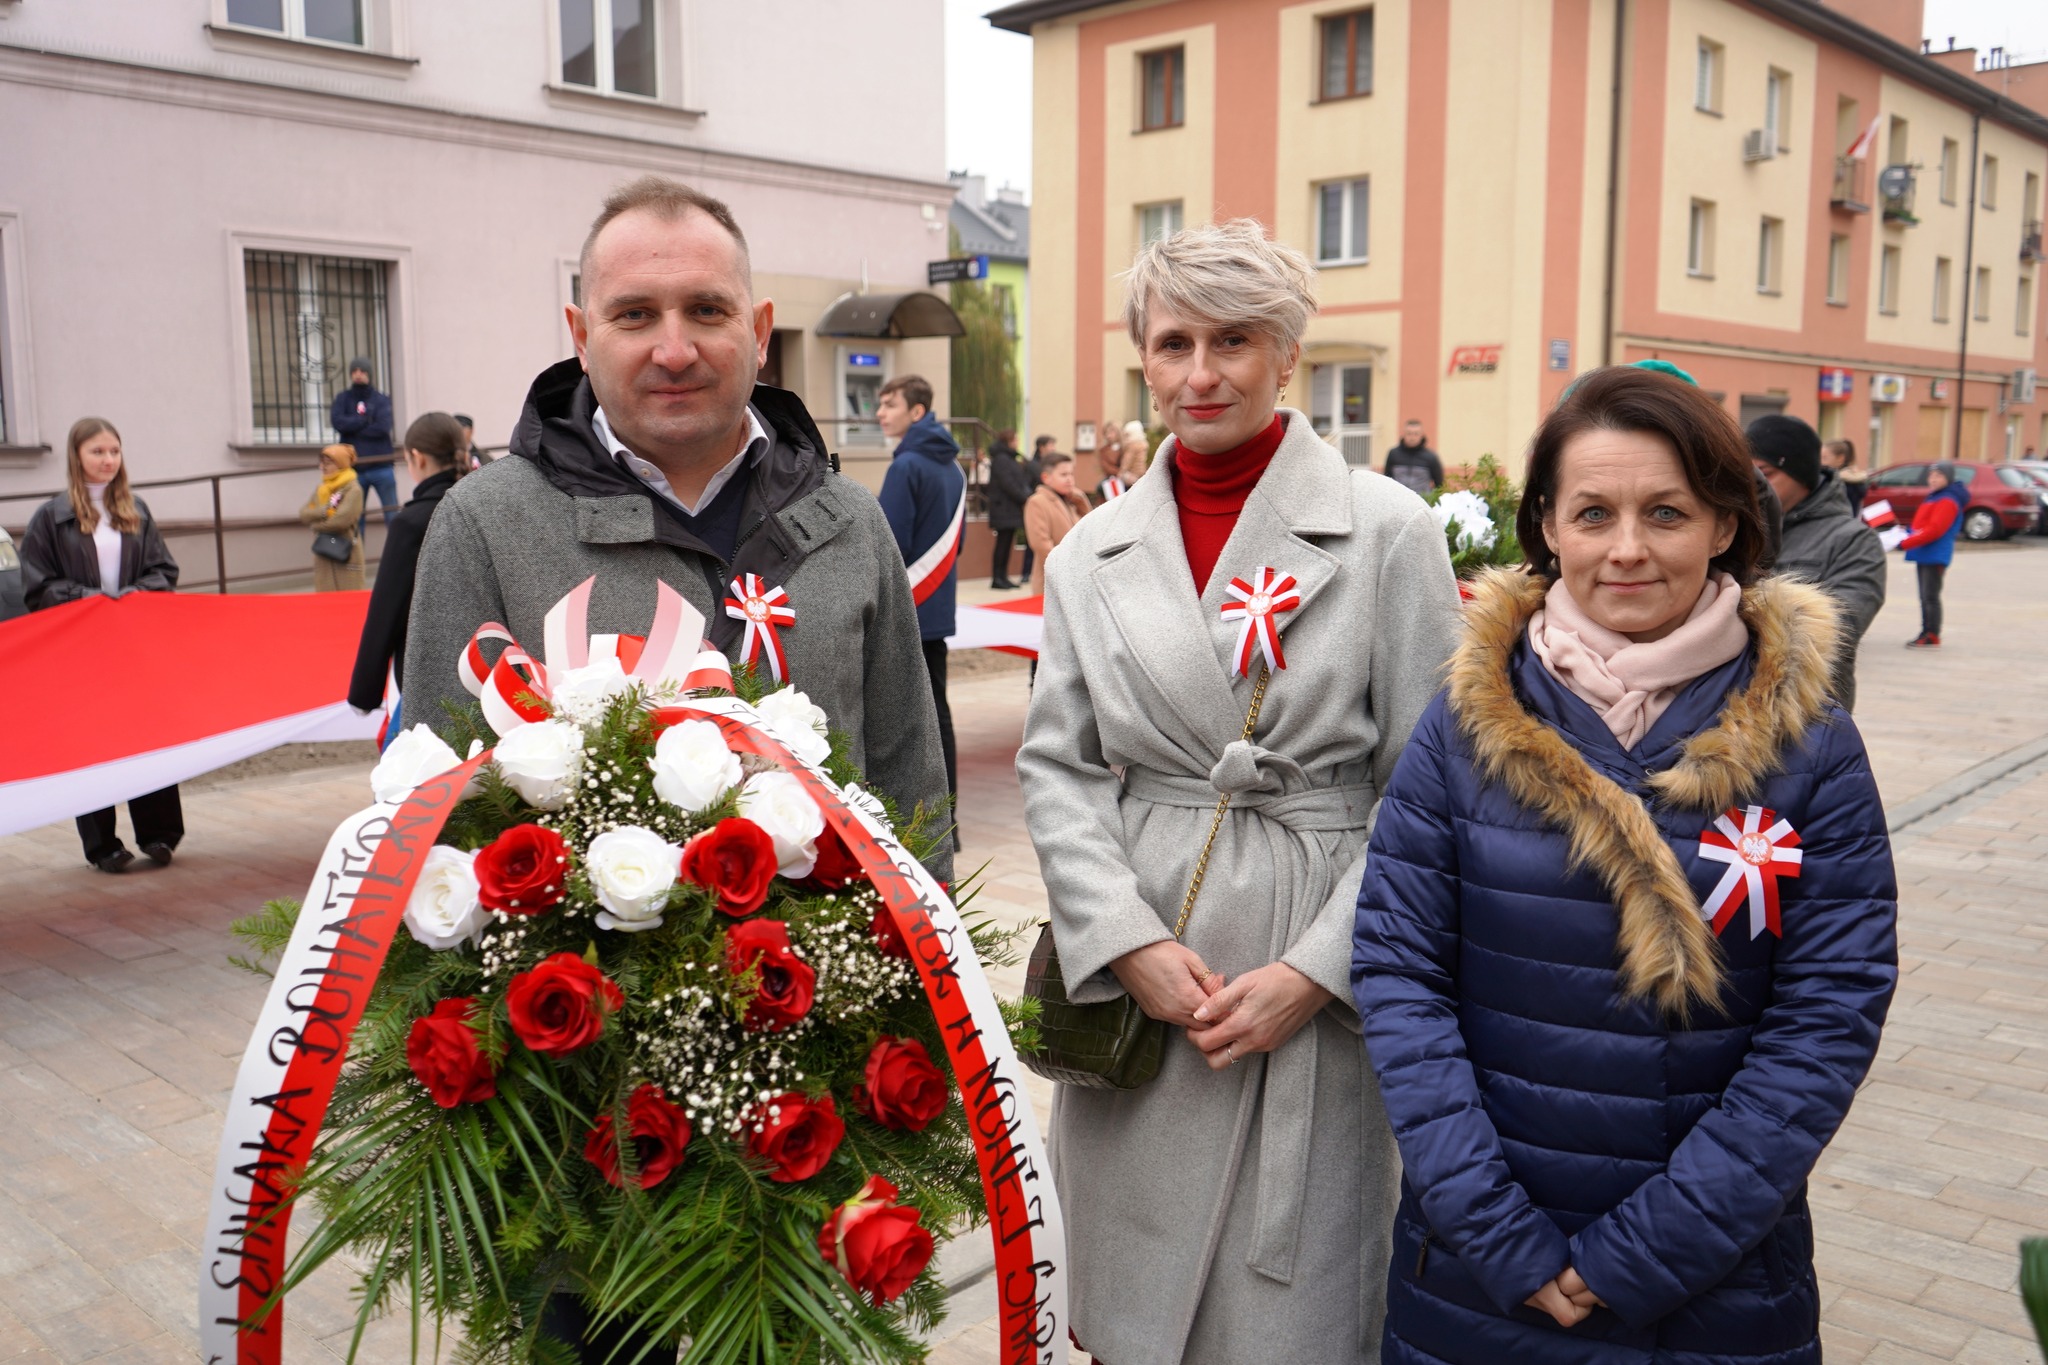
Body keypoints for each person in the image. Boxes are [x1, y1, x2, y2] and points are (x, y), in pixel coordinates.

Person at [403, 174, 952, 1361]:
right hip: (577, 1122)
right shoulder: (488, 526)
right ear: (577, 337)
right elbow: (425, 828)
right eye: (633, 314)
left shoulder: (848, 526)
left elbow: (915, 793)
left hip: (815, 1112)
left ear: (759, 333)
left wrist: (919, 1030)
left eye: (706, 311)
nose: (671, 347)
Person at [1352, 364, 1897, 1365]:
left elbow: (1827, 1014)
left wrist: (1648, 1252)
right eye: (1592, 513)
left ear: (1725, 523)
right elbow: (1398, 975)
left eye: (1666, 512)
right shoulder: (1462, 726)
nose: (1627, 549)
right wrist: (1496, 1232)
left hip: (1714, 1281)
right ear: (1548, 529)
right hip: (1475, 1273)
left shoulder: (1809, 746)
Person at [1017, 220, 1461, 1365]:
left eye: (1233, 340)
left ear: (1286, 358)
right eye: (1172, 344)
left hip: (1311, 976)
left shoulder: (1386, 532)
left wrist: (1319, 972)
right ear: (1143, 361)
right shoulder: (1089, 552)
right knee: (1127, 1314)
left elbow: (1432, 789)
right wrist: (1120, 941)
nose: (1199, 373)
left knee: (1292, 1318)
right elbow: (1058, 767)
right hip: (1146, 991)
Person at [21, 417, 184, 872]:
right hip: (80, 653)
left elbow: (163, 572)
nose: (108, 460)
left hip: (132, 648)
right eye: (98, 451)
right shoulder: (50, 518)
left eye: (114, 451)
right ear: (77, 456)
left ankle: (159, 834)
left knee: (147, 736)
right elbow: (36, 586)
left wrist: (133, 597)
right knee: (93, 743)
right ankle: (103, 845)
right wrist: (92, 601)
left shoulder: (137, 510)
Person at [1747, 415, 1885, 709]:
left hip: (1807, 714)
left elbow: (1841, 627)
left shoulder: (1853, 540)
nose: (1753, 485)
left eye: (1765, 474)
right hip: (1725, 715)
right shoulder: (1732, 527)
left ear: (1800, 475)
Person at [876, 372, 964, 824]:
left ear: (916, 411)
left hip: (905, 609)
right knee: (939, 716)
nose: (879, 413)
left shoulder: (906, 466)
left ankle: (923, 820)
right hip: (936, 605)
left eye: (889, 404)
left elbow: (888, 544)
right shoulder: (953, 467)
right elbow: (958, 545)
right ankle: (949, 819)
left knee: (908, 721)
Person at [348, 413, 467, 741]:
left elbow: (385, 612)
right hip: (487, 677)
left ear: (416, 457)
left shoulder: (412, 522)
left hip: (425, 682)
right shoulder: (480, 510)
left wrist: (364, 693)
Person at [1899, 461, 1969, 649]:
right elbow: (1922, 526)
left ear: (1948, 478)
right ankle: (1926, 631)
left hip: (1935, 554)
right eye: (1931, 475)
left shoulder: (1947, 500)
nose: (1933, 479)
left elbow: (1935, 530)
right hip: (1925, 553)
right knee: (1925, 596)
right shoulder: (1935, 497)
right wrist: (1905, 532)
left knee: (1930, 596)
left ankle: (1931, 634)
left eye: (1939, 475)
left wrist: (1905, 542)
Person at [331, 359, 398, 526]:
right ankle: (357, 552)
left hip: (382, 467)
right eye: (354, 371)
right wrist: (365, 420)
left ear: (369, 374)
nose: (358, 374)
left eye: (362, 371)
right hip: (354, 469)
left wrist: (352, 428)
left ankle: (399, 551)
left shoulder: (381, 399)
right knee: (355, 517)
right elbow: (338, 423)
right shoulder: (343, 398)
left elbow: (383, 427)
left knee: (392, 514)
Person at [300, 444, 366, 591]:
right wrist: (325, 511)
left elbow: (340, 521)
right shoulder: (322, 489)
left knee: (349, 603)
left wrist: (316, 525)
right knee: (325, 604)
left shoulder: (353, 489)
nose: (322, 467)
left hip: (346, 551)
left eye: (327, 463)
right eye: (321, 463)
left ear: (340, 464)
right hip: (324, 552)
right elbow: (303, 513)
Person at [984, 427, 1032, 589]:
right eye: (1015, 439)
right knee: (1002, 544)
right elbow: (1008, 484)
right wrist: (1023, 497)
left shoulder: (1008, 458)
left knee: (1006, 543)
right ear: (1008, 441)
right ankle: (997, 578)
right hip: (1003, 508)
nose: (1018, 442)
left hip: (1009, 508)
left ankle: (1003, 576)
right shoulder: (1002, 459)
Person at [1021, 451, 1091, 562]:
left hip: (1077, 571)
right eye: (1063, 474)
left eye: (1071, 474)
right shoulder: (1037, 502)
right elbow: (1041, 545)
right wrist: (1070, 563)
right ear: (1046, 477)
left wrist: (1080, 499)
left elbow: (1089, 528)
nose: (1069, 479)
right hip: (1053, 574)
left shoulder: (1071, 501)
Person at [1022, 433, 1056, 585]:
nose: (1053, 448)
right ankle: (1026, 572)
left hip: (1050, 506)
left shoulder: (1051, 463)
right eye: (1051, 445)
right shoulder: (1033, 465)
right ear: (1042, 447)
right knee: (1034, 542)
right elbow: (1026, 486)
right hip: (1038, 506)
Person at [1384, 418, 1444, 494]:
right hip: (1397, 501)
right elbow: (1386, 479)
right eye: (1409, 433)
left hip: (1422, 502)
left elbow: (1439, 484)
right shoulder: (1393, 454)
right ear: (1404, 434)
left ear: (1421, 435)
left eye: (1416, 434)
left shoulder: (1431, 457)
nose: (1412, 437)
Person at [1822, 436, 1867, 516]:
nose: (1821, 462)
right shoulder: (1852, 481)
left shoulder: (1841, 483)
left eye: (1824, 458)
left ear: (1840, 459)